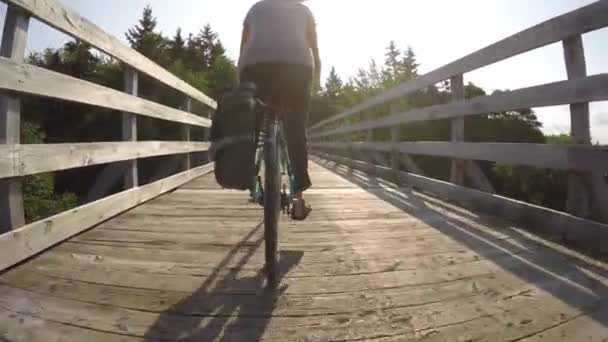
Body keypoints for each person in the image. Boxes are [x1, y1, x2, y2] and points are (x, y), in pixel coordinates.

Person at [238, 0, 321, 220]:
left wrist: (242, 79)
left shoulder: (256, 8)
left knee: (251, 125)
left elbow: (244, 46)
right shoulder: (304, 11)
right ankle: (299, 195)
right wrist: (317, 79)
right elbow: (314, 48)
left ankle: (246, 172)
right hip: (298, 69)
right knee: (296, 128)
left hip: (255, 69)